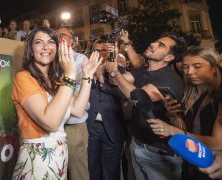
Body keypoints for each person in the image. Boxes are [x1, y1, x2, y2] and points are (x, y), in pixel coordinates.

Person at [11, 27, 101, 180]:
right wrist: (70, 75)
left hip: (59, 158)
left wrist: (87, 77)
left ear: (56, 48)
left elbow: (78, 110)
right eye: (39, 42)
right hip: (37, 160)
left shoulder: (55, 81)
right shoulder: (23, 78)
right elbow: (50, 123)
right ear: (31, 49)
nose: (46, 47)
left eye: (51, 42)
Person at [106, 32, 187, 180]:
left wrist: (115, 71)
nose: (153, 43)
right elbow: (115, 82)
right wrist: (112, 58)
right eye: (156, 40)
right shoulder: (143, 71)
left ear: (168, 58)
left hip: (159, 155)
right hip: (137, 144)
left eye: (160, 45)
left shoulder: (170, 80)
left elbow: (135, 96)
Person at [147, 46, 222, 179]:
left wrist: (172, 131)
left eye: (197, 66)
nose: (189, 72)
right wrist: (174, 115)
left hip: (211, 167)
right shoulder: (187, 94)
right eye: (186, 67)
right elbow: (186, 131)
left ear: (214, 69)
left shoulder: (218, 97)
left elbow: (218, 143)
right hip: (189, 165)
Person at [86, 38, 127, 180]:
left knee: (111, 171)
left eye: (103, 50)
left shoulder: (119, 70)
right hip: (90, 128)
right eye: (96, 50)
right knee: (92, 169)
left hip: (112, 127)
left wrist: (101, 80)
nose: (100, 53)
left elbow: (124, 95)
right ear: (91, 53)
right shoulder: (84, 69)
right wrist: (92, 76)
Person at [55, 27, 90, 180]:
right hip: (52, 126)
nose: (57, 38)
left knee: (77, 172)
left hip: (73, 125)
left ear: (72, 41)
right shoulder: (47, 58)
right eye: (54, 35)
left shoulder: (80, 59)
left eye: (61, 35)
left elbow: (76, 86)